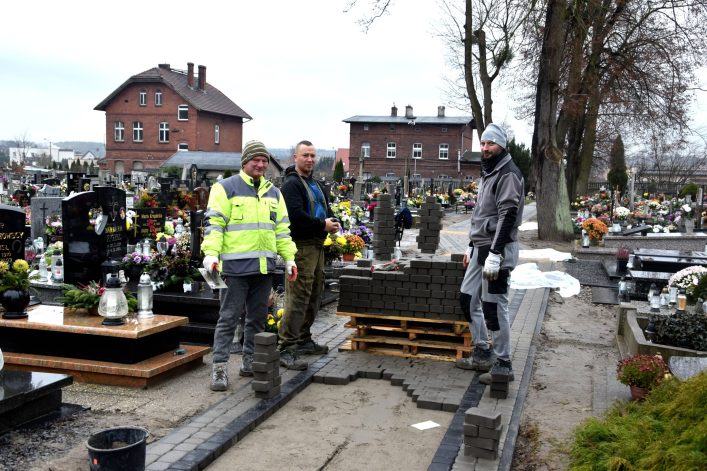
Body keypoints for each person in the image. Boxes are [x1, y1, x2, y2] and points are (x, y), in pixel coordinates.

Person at [202, 140, 298, 391]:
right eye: (256, 159)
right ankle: (220, 368)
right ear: (245, 161)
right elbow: (214, 224)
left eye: (265, 160)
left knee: (256, 319)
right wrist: (211, 254)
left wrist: (289, 258)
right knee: (228, 318)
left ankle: (249, 362)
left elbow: (282, 230)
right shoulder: (225, 188)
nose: (261, 164)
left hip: (263, 269)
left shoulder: (274, 193)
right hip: (234, 269)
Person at [455, 123, 524, 387]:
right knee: (467, 299)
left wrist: (495, 253)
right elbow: (483, 213)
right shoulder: (489, 171)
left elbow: (507, 215)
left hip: (498, 250)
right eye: (483, 143)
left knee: (494, 307)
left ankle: (503, 364)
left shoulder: (508, 173)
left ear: (502, 145)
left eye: (490, 143)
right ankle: (482, 352)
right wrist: (471, 246)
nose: (485, 148)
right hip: (481, 248)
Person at [278, 140, 341, 369]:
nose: (310, 159)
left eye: (313, 155)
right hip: (301, 247)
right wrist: (321, 225)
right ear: (295, 158)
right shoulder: (292, 185)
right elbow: (295, 216)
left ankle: (303, 339)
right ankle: (286, 347)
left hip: (316, 246)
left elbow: (326, 209)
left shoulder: (314, 183)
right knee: (298, 297)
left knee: (314, 296)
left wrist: (334, 222)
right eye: (305, 155)